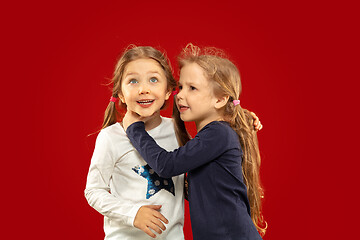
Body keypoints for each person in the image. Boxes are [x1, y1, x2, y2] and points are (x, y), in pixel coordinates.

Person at [123, 44, 266, 239]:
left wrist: (134, 129)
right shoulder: (215, 136)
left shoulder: (218, 134)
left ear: (220, 100)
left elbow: (167, 165)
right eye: (180, 87)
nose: (180, 94)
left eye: (192, 88)